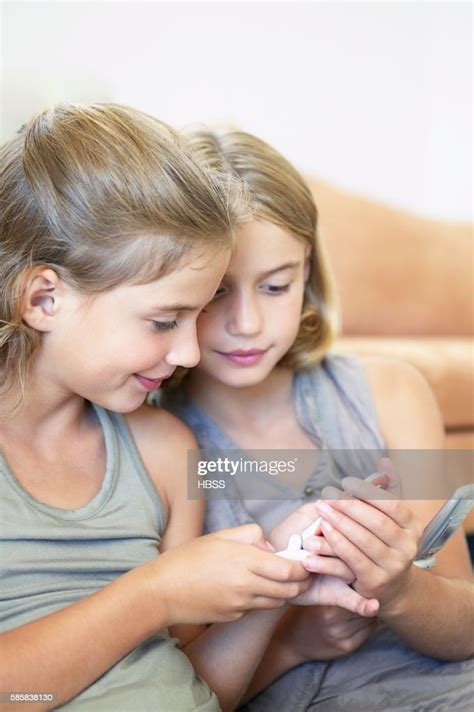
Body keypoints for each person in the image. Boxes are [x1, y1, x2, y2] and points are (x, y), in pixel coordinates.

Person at [0, 104, 379, 712]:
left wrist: (278, 574)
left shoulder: (162, 449)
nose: (189, 349)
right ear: (45, 298)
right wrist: (151, 596)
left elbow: (190, 687)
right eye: (163, 320)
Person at [157, 127, 474, 711]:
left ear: (309, 275)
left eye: (276, 286)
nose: (247, 322)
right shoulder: (156, 445)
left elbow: (465, 624)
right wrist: (289, 645)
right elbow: (174, 694)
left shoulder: (392, 393)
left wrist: (403, 590)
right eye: (215, 292)